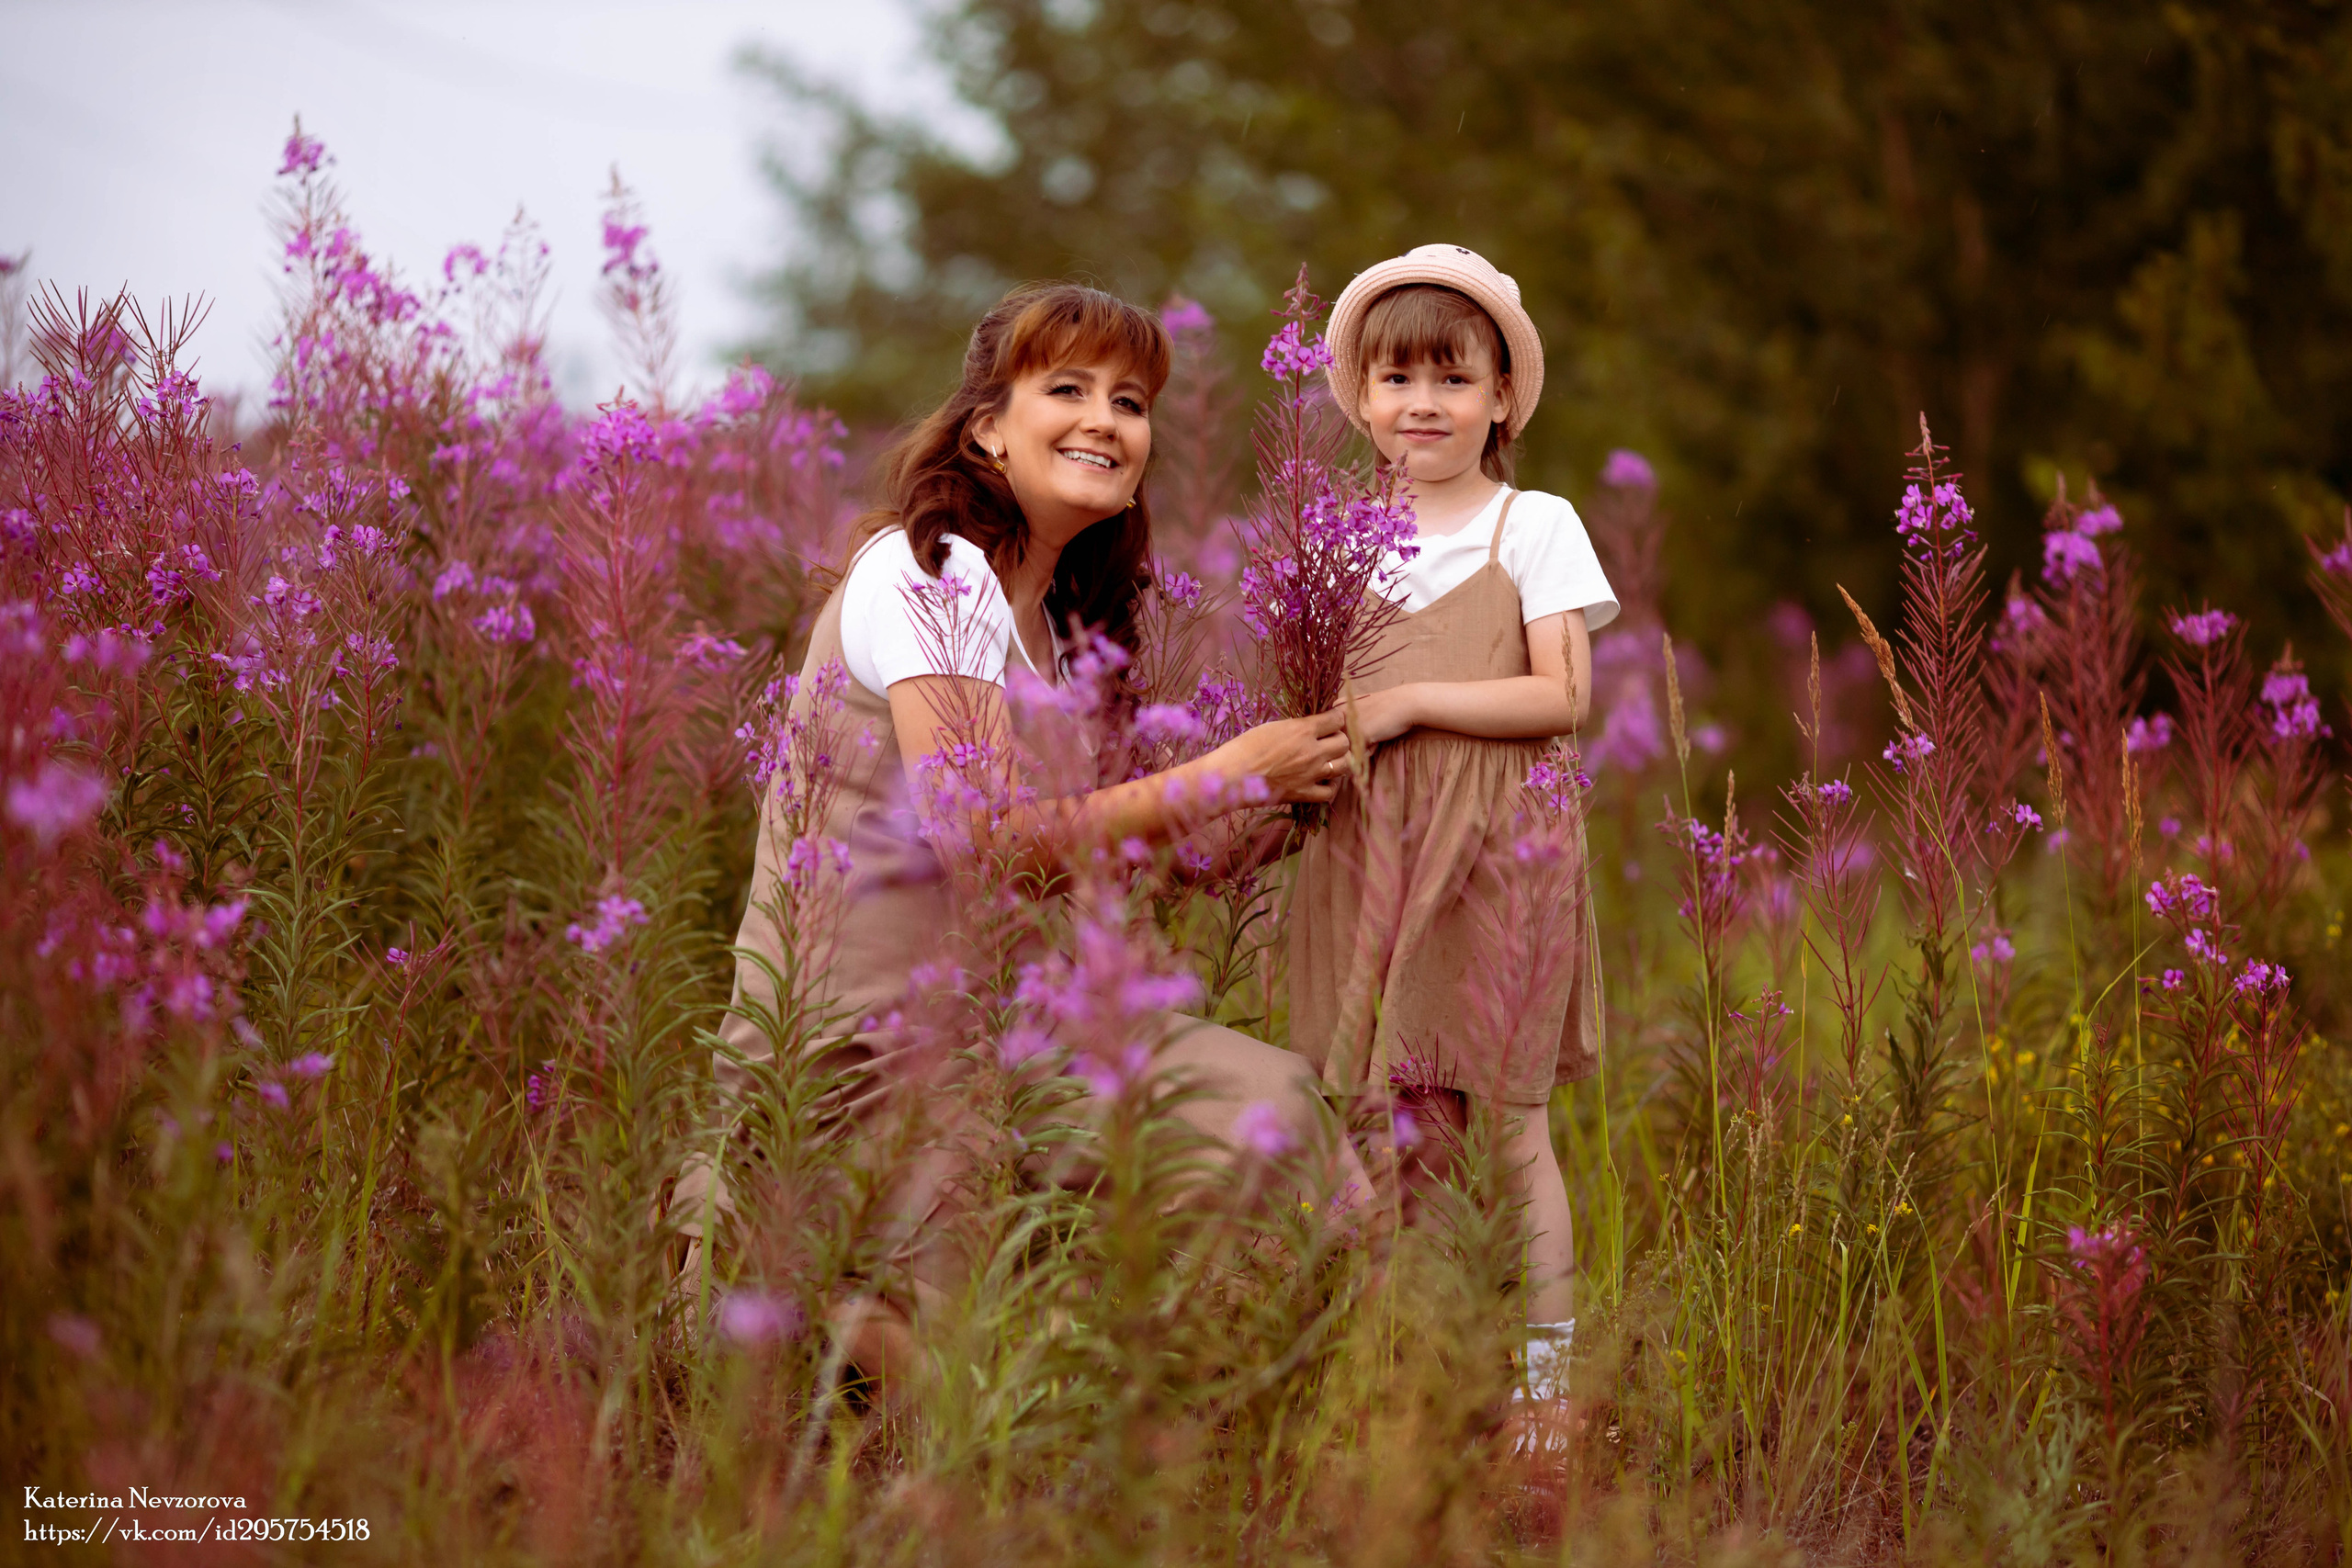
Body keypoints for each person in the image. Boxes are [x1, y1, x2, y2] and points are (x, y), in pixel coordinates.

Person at [675, 282, 1363, 1380]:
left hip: (1003, 1036)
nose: (1104, 418)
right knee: (949, 1392)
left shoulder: (1049, 622)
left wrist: (1268, 815)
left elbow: (1068, 859)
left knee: (1277, 1124)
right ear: (988, 425)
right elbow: (979, 838)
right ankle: (793, 1290)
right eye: (1068, 389)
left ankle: (1151, 1420)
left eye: (1130, 401)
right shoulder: (927, 573)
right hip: (860, 1058)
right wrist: (1225, 771)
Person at [1287, 244, 1618, 1415]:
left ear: (1500, 400)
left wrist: (1415, 702)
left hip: (1496, 857)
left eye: (1452, 378)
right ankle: (1406, 1383)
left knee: (1507, 1126)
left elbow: (1562, 697)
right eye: (1394, 380)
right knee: (1378, 1124)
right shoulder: (1335, 535)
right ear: (1360, 398)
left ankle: (1541, 1397)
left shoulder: (1531, 524)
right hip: (1364, 856)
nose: (1421, 404)